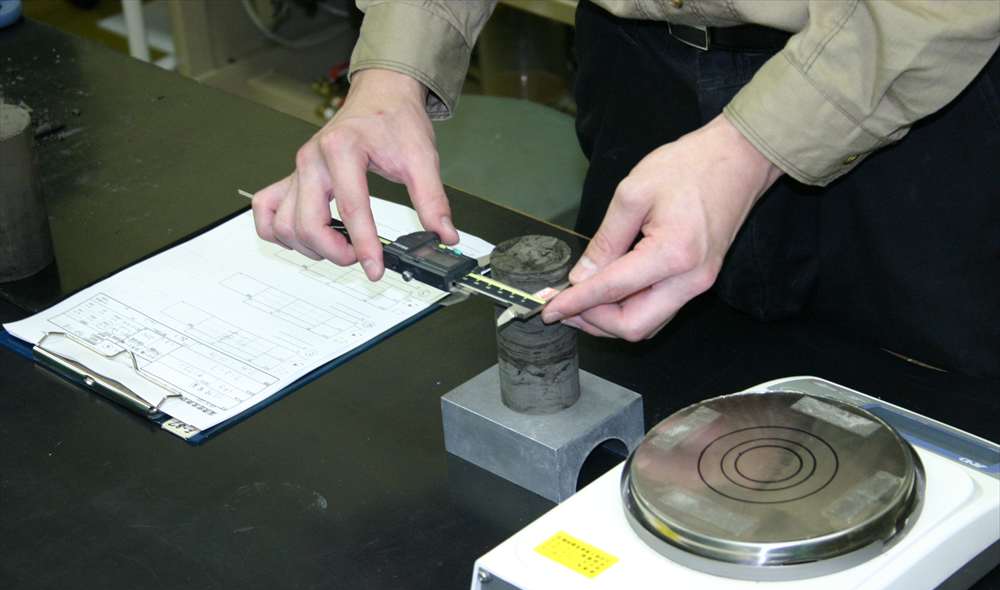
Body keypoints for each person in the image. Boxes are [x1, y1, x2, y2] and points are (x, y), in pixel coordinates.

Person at [252, 0, 1000, 377]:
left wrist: (754, 144)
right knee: (644, 392)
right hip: (638, 66)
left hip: (909, 83)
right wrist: (391, 72)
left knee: (938, 431)